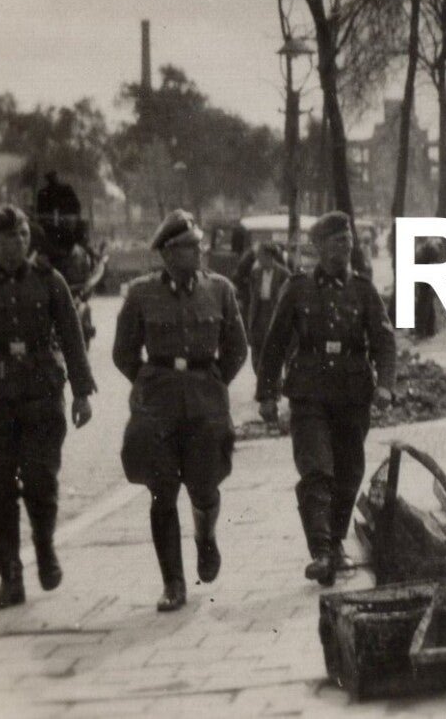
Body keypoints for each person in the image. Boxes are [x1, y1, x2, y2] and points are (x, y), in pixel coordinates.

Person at [0, 205, 97, 611]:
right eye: (9, 238)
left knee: (40, 480)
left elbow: (72, 336)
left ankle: (44, 548)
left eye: (23, 236)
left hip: (42, 393)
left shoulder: (50, 280)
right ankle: (10, 578)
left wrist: (82, 393)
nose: (17, 244)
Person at [113, 210, 248, 612]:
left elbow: (237, 349)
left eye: (198, 245)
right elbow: (123, 353)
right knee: (162, 493)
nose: (198, 252)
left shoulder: (220, 290)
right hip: (158, 408)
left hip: (206, 405)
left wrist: (213, 380)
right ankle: (173, 582)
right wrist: (150, 382)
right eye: (190, 247)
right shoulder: (141, 294)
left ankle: (205, 538)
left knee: (205, 487)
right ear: (168, 253)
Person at [256, 212, 396, 587]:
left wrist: (385, 385)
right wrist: (267, 394)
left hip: (353, 395)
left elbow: (384, 341)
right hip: (309, 393)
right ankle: (320, 550)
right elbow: (274, 343)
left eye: (348, 241)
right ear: (318, 247)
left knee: (349, 473)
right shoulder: (298, 288)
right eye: (336, 242)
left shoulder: (363, 290)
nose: (344, 248)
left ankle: (335, 543)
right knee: (317, 469)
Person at [238, 242, 290, 379]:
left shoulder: (284, 274)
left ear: (269, 255)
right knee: (256, 350)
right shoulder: (255, 273)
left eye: (260, 255)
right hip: (259, 313)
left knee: (273, 350)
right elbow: (252, 296)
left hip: (274, 313)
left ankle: (272, 382)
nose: (258, 259)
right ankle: (261, 378)